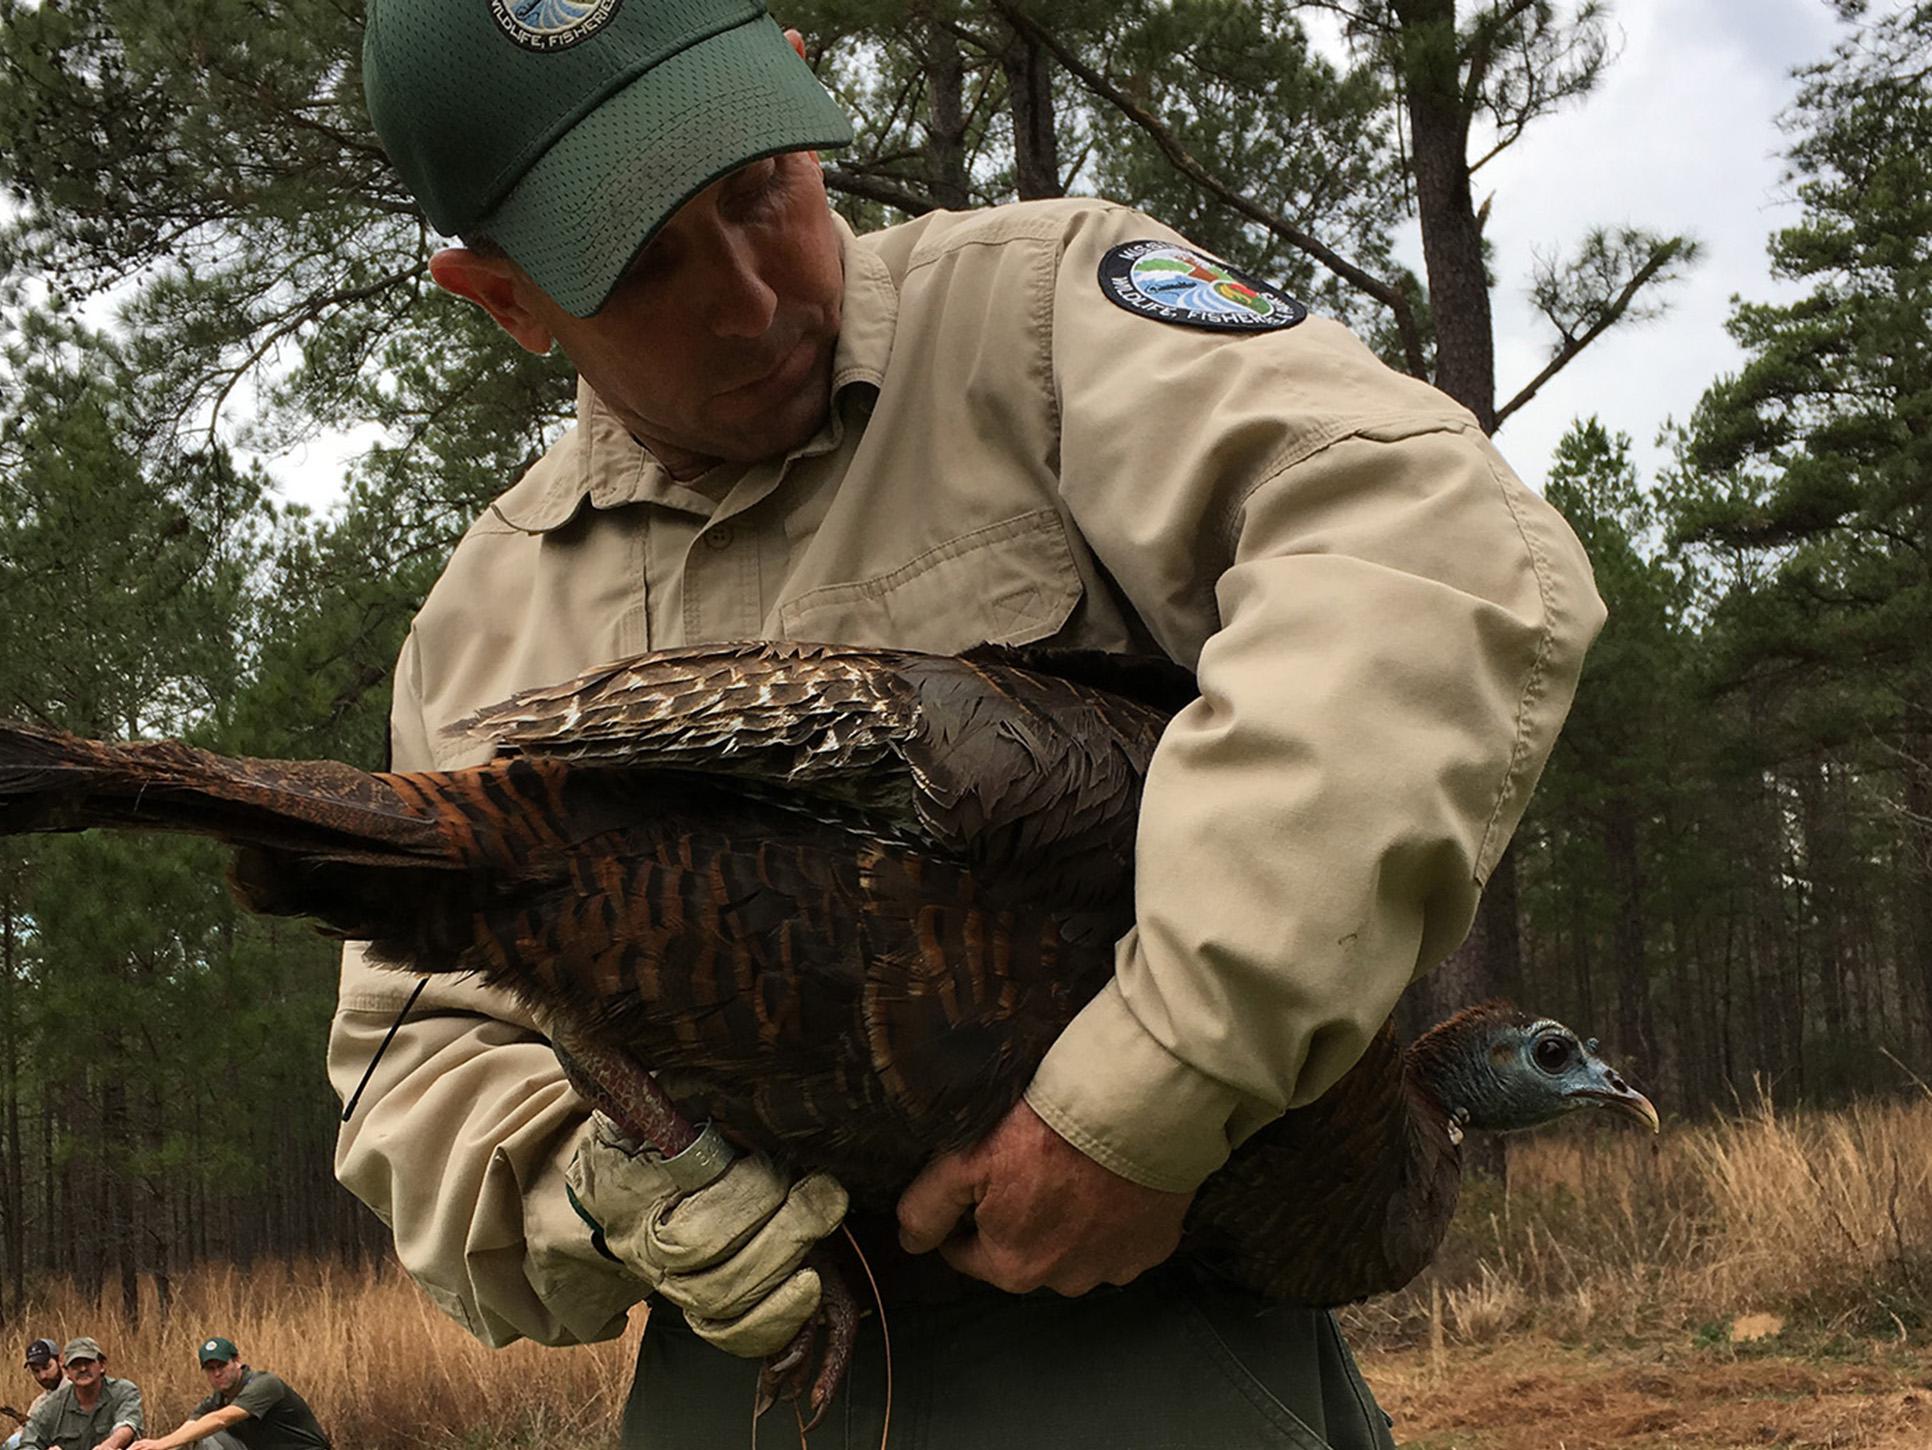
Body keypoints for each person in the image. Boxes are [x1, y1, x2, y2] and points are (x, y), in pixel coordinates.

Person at [335, 1, 1605, 1445]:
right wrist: (599, 1190)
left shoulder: (1044, 320)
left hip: (1155, 1346)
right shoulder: (480, 623)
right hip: (749, 1390)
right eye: (641, 263)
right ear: (501, 295)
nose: (751, 298)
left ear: (799, 90)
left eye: (760, 187)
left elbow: (1433, 549)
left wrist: (1160, 1077)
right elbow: (419, 1062)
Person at [126, 1339, 328, 1450]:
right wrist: (150, 1447)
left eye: (221, 1365)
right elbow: (185, 1433)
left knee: (211, 1429)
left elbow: (222, 1419)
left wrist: (161, 1444)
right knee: (203, 1437)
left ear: (237, 1361)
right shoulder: (214, 1401)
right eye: (210, 1368)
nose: (217, 1373)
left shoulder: (265, 1384)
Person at [17, 1338, 141, 1450]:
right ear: (67, 1372)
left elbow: (128, 1425)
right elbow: (28, 1441)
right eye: (75, 1365)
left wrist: (109, 1445)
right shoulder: (52, 1406)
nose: (82, 1369)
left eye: (88, 1363)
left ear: (102, 1365)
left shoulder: (123, 1391)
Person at [3, 1341, 63, 1450]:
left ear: (60, 1361)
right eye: (36, 1371)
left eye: (47, 1367)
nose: (42, 1376)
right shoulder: (39, 1402)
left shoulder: (77, 1390)